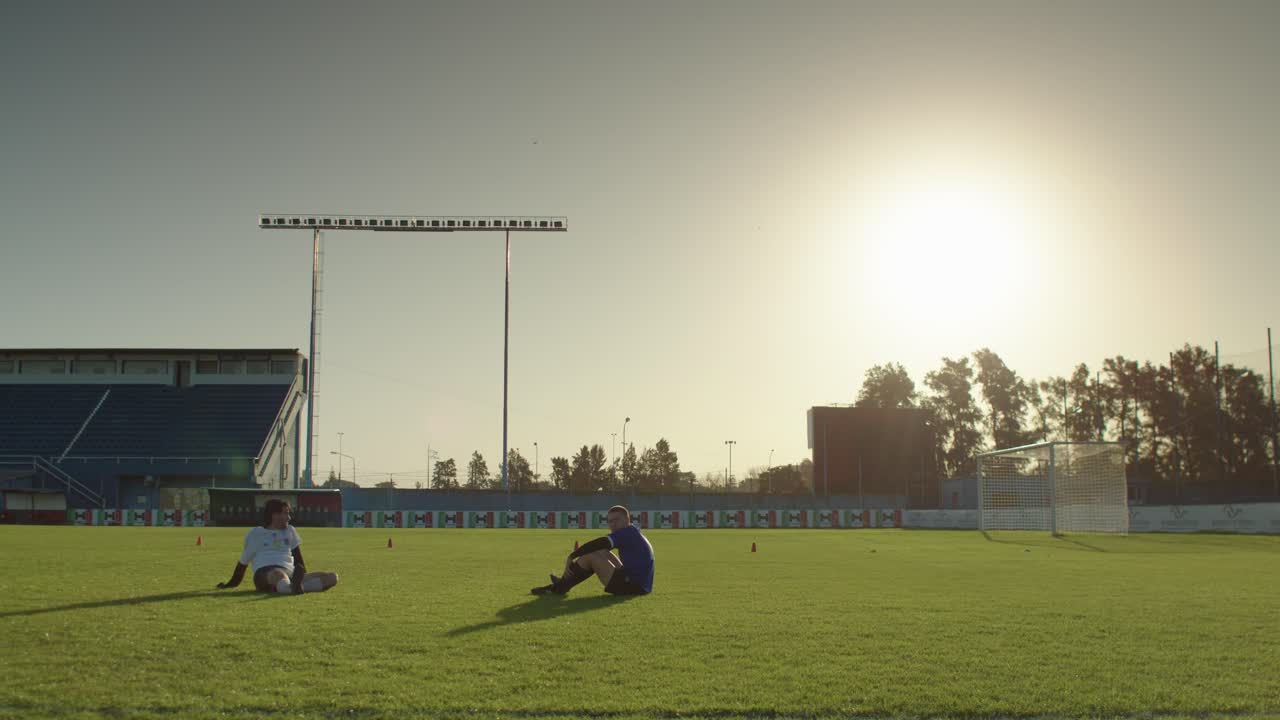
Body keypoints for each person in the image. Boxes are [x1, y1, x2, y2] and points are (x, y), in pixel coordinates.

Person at [215, 499, 339, 595]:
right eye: (286, 513)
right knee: (279, 574)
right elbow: (242, 563)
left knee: (332, 577)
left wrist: (301, 577)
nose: (289, 517)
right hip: (265, 574)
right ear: (274, 515)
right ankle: (292, 587)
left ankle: (294, 587)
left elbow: (298, 559)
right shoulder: (256, 534)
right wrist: (230, 584)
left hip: (290, 574)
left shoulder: (290, 531)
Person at [532, 505, 653, 596]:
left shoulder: (626, 533)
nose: (613, 524)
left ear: (627, 519)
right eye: (610, 521)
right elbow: (601, 547)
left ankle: (557, 588)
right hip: (638, 584)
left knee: (591, 555)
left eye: (616, 520)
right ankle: (562, 584)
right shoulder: (633, 531)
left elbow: (600, 542)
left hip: (633, 587)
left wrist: (572, 556)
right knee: (601, 551)